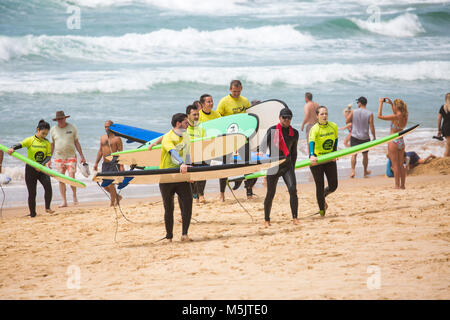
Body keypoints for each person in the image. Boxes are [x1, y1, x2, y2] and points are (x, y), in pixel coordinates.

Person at [260, 108, 299, 227]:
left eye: (289, 118)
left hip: (287, 166)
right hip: (274, 166)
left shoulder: (295, 133)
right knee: (270, 194)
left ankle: (295, 218)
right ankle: (267, 219)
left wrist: (293, 167)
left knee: (293, 190)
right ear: (279, 117)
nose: (287, 120)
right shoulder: (272, 130)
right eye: (284, 117)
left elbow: (294, 153)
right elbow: (262, 148)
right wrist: (265, 166)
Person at [7, 120, 54, 218]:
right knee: (32, 193)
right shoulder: (30, 140)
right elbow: (20, 145)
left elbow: (48, 156)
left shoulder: (47, 143)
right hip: (30, 169)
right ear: (38, 130)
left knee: (48, 187)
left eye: (46, 134)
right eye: (43, 133)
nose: (44, 135)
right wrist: (12, 148)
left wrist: (41, 165)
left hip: (42, 168)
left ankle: (47, 207)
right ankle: (33, 214)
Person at [159, 113, 193, 243]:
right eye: (185, 122)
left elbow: (188, 154)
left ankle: (184, 234)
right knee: (169, 207)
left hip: (181, 175)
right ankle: (169, 236)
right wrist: (181, 163)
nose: (188, 125)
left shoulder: (186, 136)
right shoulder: (168, 137)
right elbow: (173, 152)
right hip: (167, 177)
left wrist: (189, 171)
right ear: (178, 123)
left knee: (188, 203)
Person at [216, 80, 251, 201]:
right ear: (230, 90)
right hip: (228, 138)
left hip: (242, 136)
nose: (236, 93)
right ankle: (222, 193)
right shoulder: (224, 102)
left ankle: (249, 192)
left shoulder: (245, 101)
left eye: (239, 91)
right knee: (225, 165)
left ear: (241, 89)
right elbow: (218, 120)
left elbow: (249, 118)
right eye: (234, 91)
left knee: (247, 163)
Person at [49, 110, 86, 207]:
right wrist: (49, 158)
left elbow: (77, 142)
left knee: (71, 178)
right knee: (61, 180)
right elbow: (52, 145)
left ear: (65, 118)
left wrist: (82, 156)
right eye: (58, 119)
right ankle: (64, 201)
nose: (60, 120)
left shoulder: (72, 127)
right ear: (56, 120)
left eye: (61, 118)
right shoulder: (53, 130)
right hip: (58, 158)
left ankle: (74, 196)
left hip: (71, 157)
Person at [309, 106, 339, 217]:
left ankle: (322, 197)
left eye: (326, 113)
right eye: (322, 114)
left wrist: (335, 153)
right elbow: (311, 142)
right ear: (317, 116)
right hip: (317, 160)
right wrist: (312, 155)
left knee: (333, 185)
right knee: (319, 185)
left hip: (330, 158)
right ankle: (322, 211)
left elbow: (335, 140)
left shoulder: (333, 126)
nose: (324, 116)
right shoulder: (315, 129)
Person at [378, 97, 409, 189]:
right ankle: (402, 185)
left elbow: (379, 116)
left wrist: (381, 103)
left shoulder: (396, 116)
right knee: (401, 165)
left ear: (396, 107)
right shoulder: (404, 115)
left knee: (395, 165)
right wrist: (392, 104)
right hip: (401, 141)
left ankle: (396, 185)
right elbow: (396, 113)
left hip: (393, 141)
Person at [93, 120, 124, 206]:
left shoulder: (117, 139)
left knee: (110, 184)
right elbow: (100, 151)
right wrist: (96, 163)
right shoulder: (103, 138)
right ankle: (117, 197)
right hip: (105, 164)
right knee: (105, 185)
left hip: (114, 163)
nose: (106, 128)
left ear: (112, 127)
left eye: (108, 126)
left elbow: (121, 153)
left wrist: (121, 166)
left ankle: (112, 202)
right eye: (105, 127)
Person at [346, 97, 376, 178]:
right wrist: (374, 136)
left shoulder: (354, 111)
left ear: (360, 103)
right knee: (365, 155)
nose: (357, 104)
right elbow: (372, 126)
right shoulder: (370, 113)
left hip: (354, 136)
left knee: (354, 155)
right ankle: (365, 171)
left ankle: (353, 171)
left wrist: (353, 120)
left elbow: (347, 121)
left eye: (357, 102)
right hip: (365, 137)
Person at [186, 104, 207, 203]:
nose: (197, 117)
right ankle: (195, 194)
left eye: (197, 114)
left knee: (204, 167)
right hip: (187, 157)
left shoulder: (201, 129)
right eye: (194, 115)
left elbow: (206, 144)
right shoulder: (183, 129)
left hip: (199, 155)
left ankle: (201, 194)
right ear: (188, 116)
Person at [437, 93, 450, 157]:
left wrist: (439, 130)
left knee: (448, 144)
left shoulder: (442, 107)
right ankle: (445, 160)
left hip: (445, 128)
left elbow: (439, 120)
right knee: (448, 145)